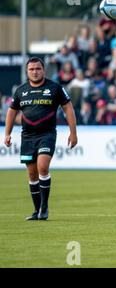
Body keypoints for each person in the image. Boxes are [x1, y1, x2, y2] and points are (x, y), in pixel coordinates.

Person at [3, 57, 78, 221]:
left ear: (43, 70)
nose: (35, 72)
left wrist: (73, 133)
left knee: (42, 167)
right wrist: (7, 133)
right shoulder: (21, 91)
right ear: (27, 71)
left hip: (47, 134)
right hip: (27, 136)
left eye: (38, 69)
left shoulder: (55, 88)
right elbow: (11, 111)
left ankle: (44, 208)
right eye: (31, 69)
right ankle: (37, 210)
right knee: (32, 174)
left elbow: (68, 108)